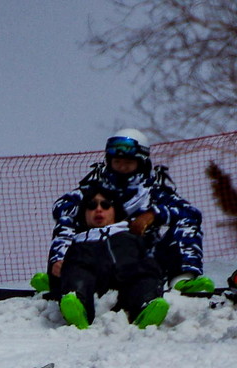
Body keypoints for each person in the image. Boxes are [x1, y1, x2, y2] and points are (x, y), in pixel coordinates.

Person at [41, 129, 212, 296]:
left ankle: (182, 279)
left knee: (186, 222)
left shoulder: (153, 192)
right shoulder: (95, 189)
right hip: (95, 255)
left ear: (141, 163)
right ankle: (60, 274)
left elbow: (191, 213)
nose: (122, 167)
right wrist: (98, 215)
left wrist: (154, 215)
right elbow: (61, 207)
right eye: (117, 162)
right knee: (67, 221)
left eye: (128, 163)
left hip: (143, 258)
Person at [55, 187, 168, 330]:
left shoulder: (128, 235)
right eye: (91, 206)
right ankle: (78, 306)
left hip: (128, 274)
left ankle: (146, 307)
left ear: (115, 211)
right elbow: (63, 268)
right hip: (93, 278)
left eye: (106, 205)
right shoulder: (78, 241)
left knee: (147, 269)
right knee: (75, 270)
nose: (98, 210)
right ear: (84, 213)